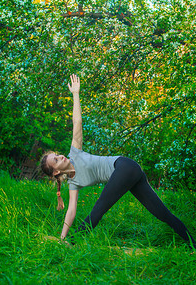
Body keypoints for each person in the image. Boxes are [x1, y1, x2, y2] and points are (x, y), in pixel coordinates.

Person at [40, 74, 196, 249]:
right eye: (56, 159)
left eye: (57, 154)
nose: (60, 156)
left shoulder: (75, 153)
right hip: (128, 175)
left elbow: (77, 121)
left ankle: (72, 244)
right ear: (56, 172)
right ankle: (194, 246)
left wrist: (75, 94)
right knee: (161, 213)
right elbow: (71, 211)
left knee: (99, 208)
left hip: (124, 167)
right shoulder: (73, 184)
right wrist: (61, 235)